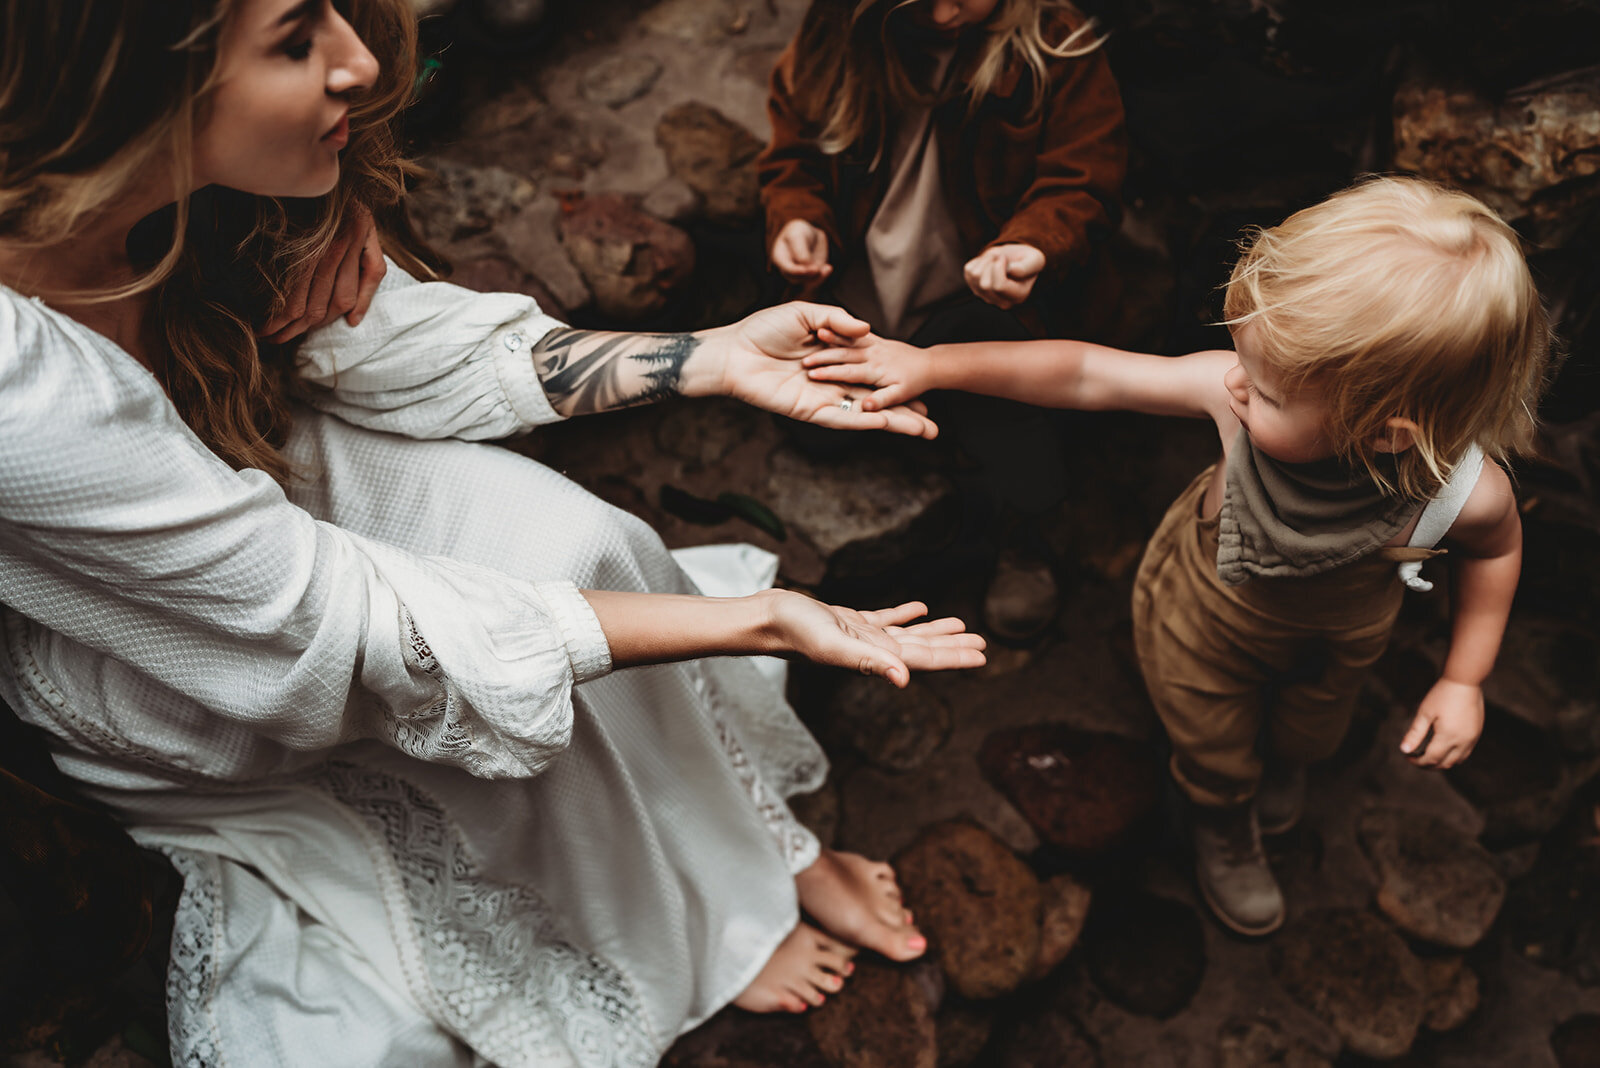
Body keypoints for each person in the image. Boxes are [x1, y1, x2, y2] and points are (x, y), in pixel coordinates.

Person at [0, 1, 989, 1064]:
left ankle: (749, 851)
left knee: (581, 542)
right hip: (181, 650)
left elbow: (382, 348)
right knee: (502, 717)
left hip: (250, 442)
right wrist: (763, 620)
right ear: (129, 91)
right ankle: (697, 922)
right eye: (297, 41)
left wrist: (709, 358)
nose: (360, 60)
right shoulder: (24, 396)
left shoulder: (217, 191)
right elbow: (338, 621)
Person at [802, 175, 1551, 935]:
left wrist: (1465, 677)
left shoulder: (1463, 493)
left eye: (1266, 389)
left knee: (1312, 730)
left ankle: (1284, 760)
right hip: (1207, 617)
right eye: (1240, 358)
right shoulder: (1231, 400)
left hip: (1341, 639)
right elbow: (1088, 373)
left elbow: (1494, 553)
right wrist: (936, 365)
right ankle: (1222, 816)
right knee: (1216, 748)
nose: (1232, 380)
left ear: (1390, 433)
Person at [757, 0, 1127, 639]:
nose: (946, 12)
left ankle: (1024, 531)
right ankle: (936, 434)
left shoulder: (1055, 43)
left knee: (1010, 420)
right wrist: (797, 218)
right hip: (866, 279)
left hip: (983, 297)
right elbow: (794, 155)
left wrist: (1033, 244)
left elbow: (1084, 176)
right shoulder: (837, 31)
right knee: (817, 430)